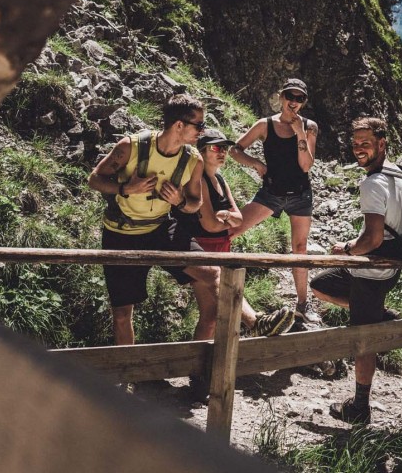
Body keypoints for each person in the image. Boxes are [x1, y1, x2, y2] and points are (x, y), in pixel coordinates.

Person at [87, 94, 219, 348]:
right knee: (123, 314)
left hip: (161, 228)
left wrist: (180, 201)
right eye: (199, 125)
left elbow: (195, 203)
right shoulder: (131, 147)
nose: (202, 132)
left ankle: (201, 361)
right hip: (120, 233)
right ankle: (128, 375)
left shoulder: (193, 160)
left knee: (212, 273)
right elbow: (95, 179)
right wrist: (126, 189)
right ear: (179, 125)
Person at [309, 116, 402, 425]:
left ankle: (360, 407)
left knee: (362, 341)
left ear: (382, 143)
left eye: (365, 143)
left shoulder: (372, 182)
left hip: (371, 273)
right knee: (320, 285)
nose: (358, 149)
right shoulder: (399, 174)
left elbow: (372, 238)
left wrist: (347, 249)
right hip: (391, 269)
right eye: (355, 144)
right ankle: (379, 315)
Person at [173, 126, 295, 339]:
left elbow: (238, 218)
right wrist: (226, 220)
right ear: (201, 151)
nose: (222, 152)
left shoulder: (219, 179)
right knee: (214, 304)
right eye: (216, 148)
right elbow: (210, 225)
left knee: (210, 314)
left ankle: (199, 366)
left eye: (225, 148)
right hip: (203, 247)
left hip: (221, 247)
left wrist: (225, 218)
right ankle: (255, 322)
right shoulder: (198, 179)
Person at [229, 78, 319, 330]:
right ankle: (218, 276)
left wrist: (300, 131)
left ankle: (303, 303)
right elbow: (235, 150)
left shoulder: (310, 127)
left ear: (304, 102)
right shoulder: (265, 125)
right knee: (233, 230)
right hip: (271, 192)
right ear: (281, 96)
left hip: (301, 194)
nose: (294, 102)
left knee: (299, 248)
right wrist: (256, 164)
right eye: (290, 96)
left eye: (300, 98)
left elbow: (306, 166)